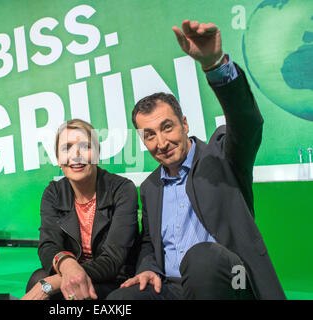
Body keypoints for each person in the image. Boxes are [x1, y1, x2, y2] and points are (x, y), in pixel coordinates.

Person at [107, 20, 286, 300]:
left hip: (233, 280)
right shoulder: (150, 187)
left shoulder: (222, 156)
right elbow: (149, 242)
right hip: (172, 287)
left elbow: (246, 122)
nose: (161, 142)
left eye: (167, 127)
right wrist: (147, 267)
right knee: (121, 299)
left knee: (202, 258)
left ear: (185, 124)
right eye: (149, 135)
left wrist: (215, 65)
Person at [22, 119, 139, 300]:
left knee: (49, 286)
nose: (76, 155)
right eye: (66, 148)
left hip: (113, 280)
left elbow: (113, 260)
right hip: (69, 274)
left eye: (85, 147)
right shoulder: (53, 192)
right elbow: (48, 246)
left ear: (97, 155)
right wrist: (68, 266)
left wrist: (55, 282)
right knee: (38, 278)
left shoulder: (122, 189)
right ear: (58, 160)